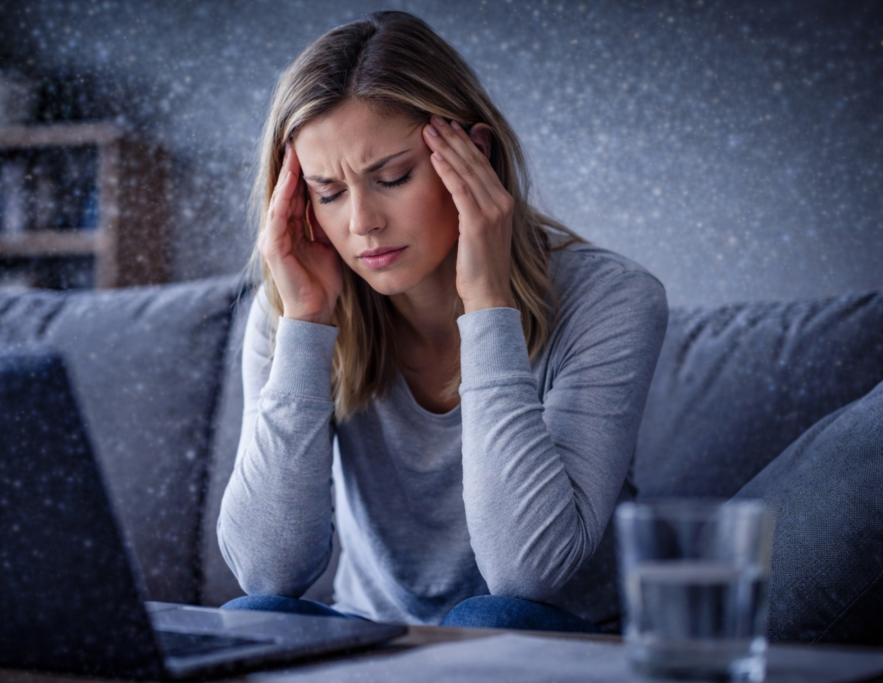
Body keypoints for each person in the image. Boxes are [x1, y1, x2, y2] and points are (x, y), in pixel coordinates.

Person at [216, 10, 668, 632]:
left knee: (495, 615)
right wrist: (306, 324)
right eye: (329, 193)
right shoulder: (293, 307)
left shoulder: (612, 298)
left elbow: (525, 575)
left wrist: (487, 302)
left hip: (542, 646)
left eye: (392, 177)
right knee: (255, 615)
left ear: (473, 155)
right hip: (377, 647)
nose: (362, 222)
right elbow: (265, 571)